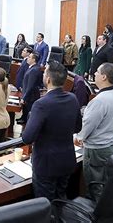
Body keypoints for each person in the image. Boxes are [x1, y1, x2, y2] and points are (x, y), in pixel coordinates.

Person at [22, 61, 80, 200]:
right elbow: (78, 128)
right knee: (60, 200)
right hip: (66, 161)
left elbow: (27, 138)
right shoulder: (73, 99)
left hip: (46, 165)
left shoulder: (41, 104)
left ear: (47, 79)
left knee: (46, 205)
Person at [74, 63, 113, 201]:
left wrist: (79, 137)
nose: (94, 74)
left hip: (96, 150)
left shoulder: (100, 100)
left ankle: (96, 216)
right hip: (110, 146)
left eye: (97, 72)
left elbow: (88, 127)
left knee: (94, 187)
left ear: (104, 77)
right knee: (103, 183)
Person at [18, 52, 42, 124]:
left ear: (34, 59)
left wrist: (24, 98)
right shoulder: (32, 68)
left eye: (29, 57)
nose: (27, 58)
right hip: (28, 94)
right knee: (25, 112)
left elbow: (30, 86)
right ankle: (24, 119)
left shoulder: (34, 70)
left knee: (29, 114)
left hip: (31, 97)